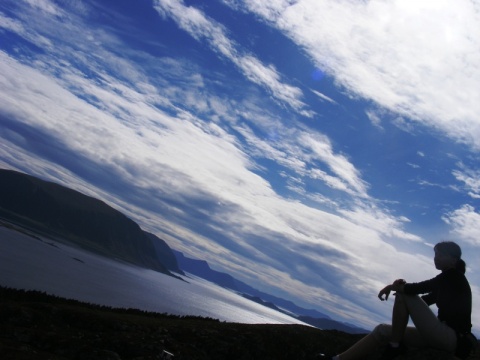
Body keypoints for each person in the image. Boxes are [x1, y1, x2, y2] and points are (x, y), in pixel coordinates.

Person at [325, 241, 473, 360]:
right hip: (439, 335)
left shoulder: (453, 275)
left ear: (454, 260)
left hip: (451, 337)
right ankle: (338, 359)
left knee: (404, 294)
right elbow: (423, 301)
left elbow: (420, 288)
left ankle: (394, 346)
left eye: (440, 255)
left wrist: (394, 287)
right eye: (435, 254)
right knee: (382, 330)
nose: (436, 257)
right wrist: (402, 288)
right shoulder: (448, 282)